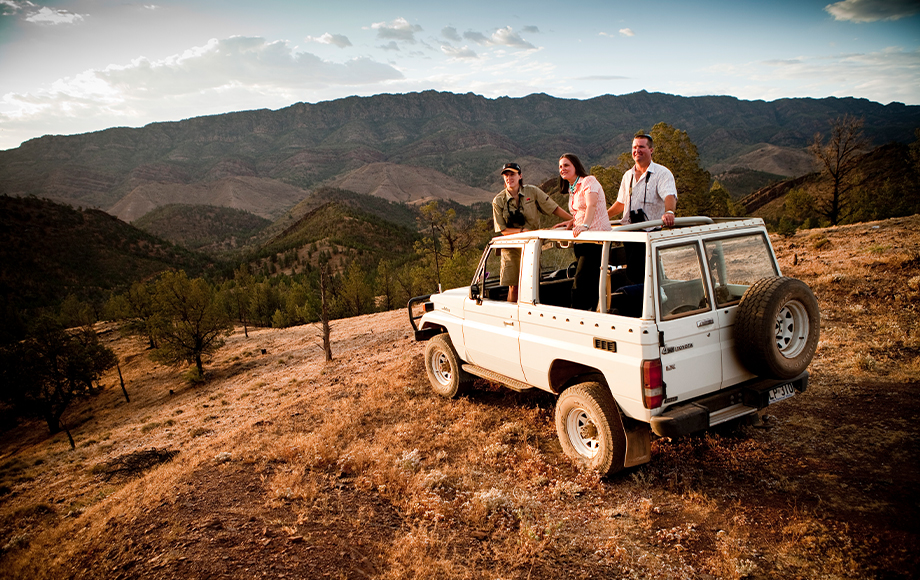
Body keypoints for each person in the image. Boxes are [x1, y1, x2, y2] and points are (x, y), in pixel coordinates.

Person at [492, 162, 572, 302]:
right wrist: (523, 231)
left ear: (520, 176)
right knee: (514, 287)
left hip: (531, 247)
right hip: (511, 248)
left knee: (532, 284)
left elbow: (553, 208)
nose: (509, 178)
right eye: (506, 175)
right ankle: (512, 317)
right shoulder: (498, 201)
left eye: (512, 174)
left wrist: (574, 220)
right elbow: (503, 229)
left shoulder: (532, 192)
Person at [558, 153, 611, 311]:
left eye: (566, 165)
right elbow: (579, 211)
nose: (563, 169)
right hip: (581, 240)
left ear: (576, 166)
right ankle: (592, 311)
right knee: (589, 281)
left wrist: (585, 226)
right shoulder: (572, 188)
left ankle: (578, 313)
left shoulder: (589, 181)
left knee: (581, 281)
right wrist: (573, 222)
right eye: (560, 166)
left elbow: (591, 206)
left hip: (595, 239)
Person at [607, 133, 678, 227]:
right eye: (634, 147)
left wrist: (669, 212)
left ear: (651, 150)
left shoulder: (662, 173)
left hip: (651, 233)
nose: (637, 150)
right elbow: (621, 203)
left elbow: (669, 195)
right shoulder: (628, 175)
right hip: (629, 231)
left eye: (641, 147)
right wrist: (602, 218)